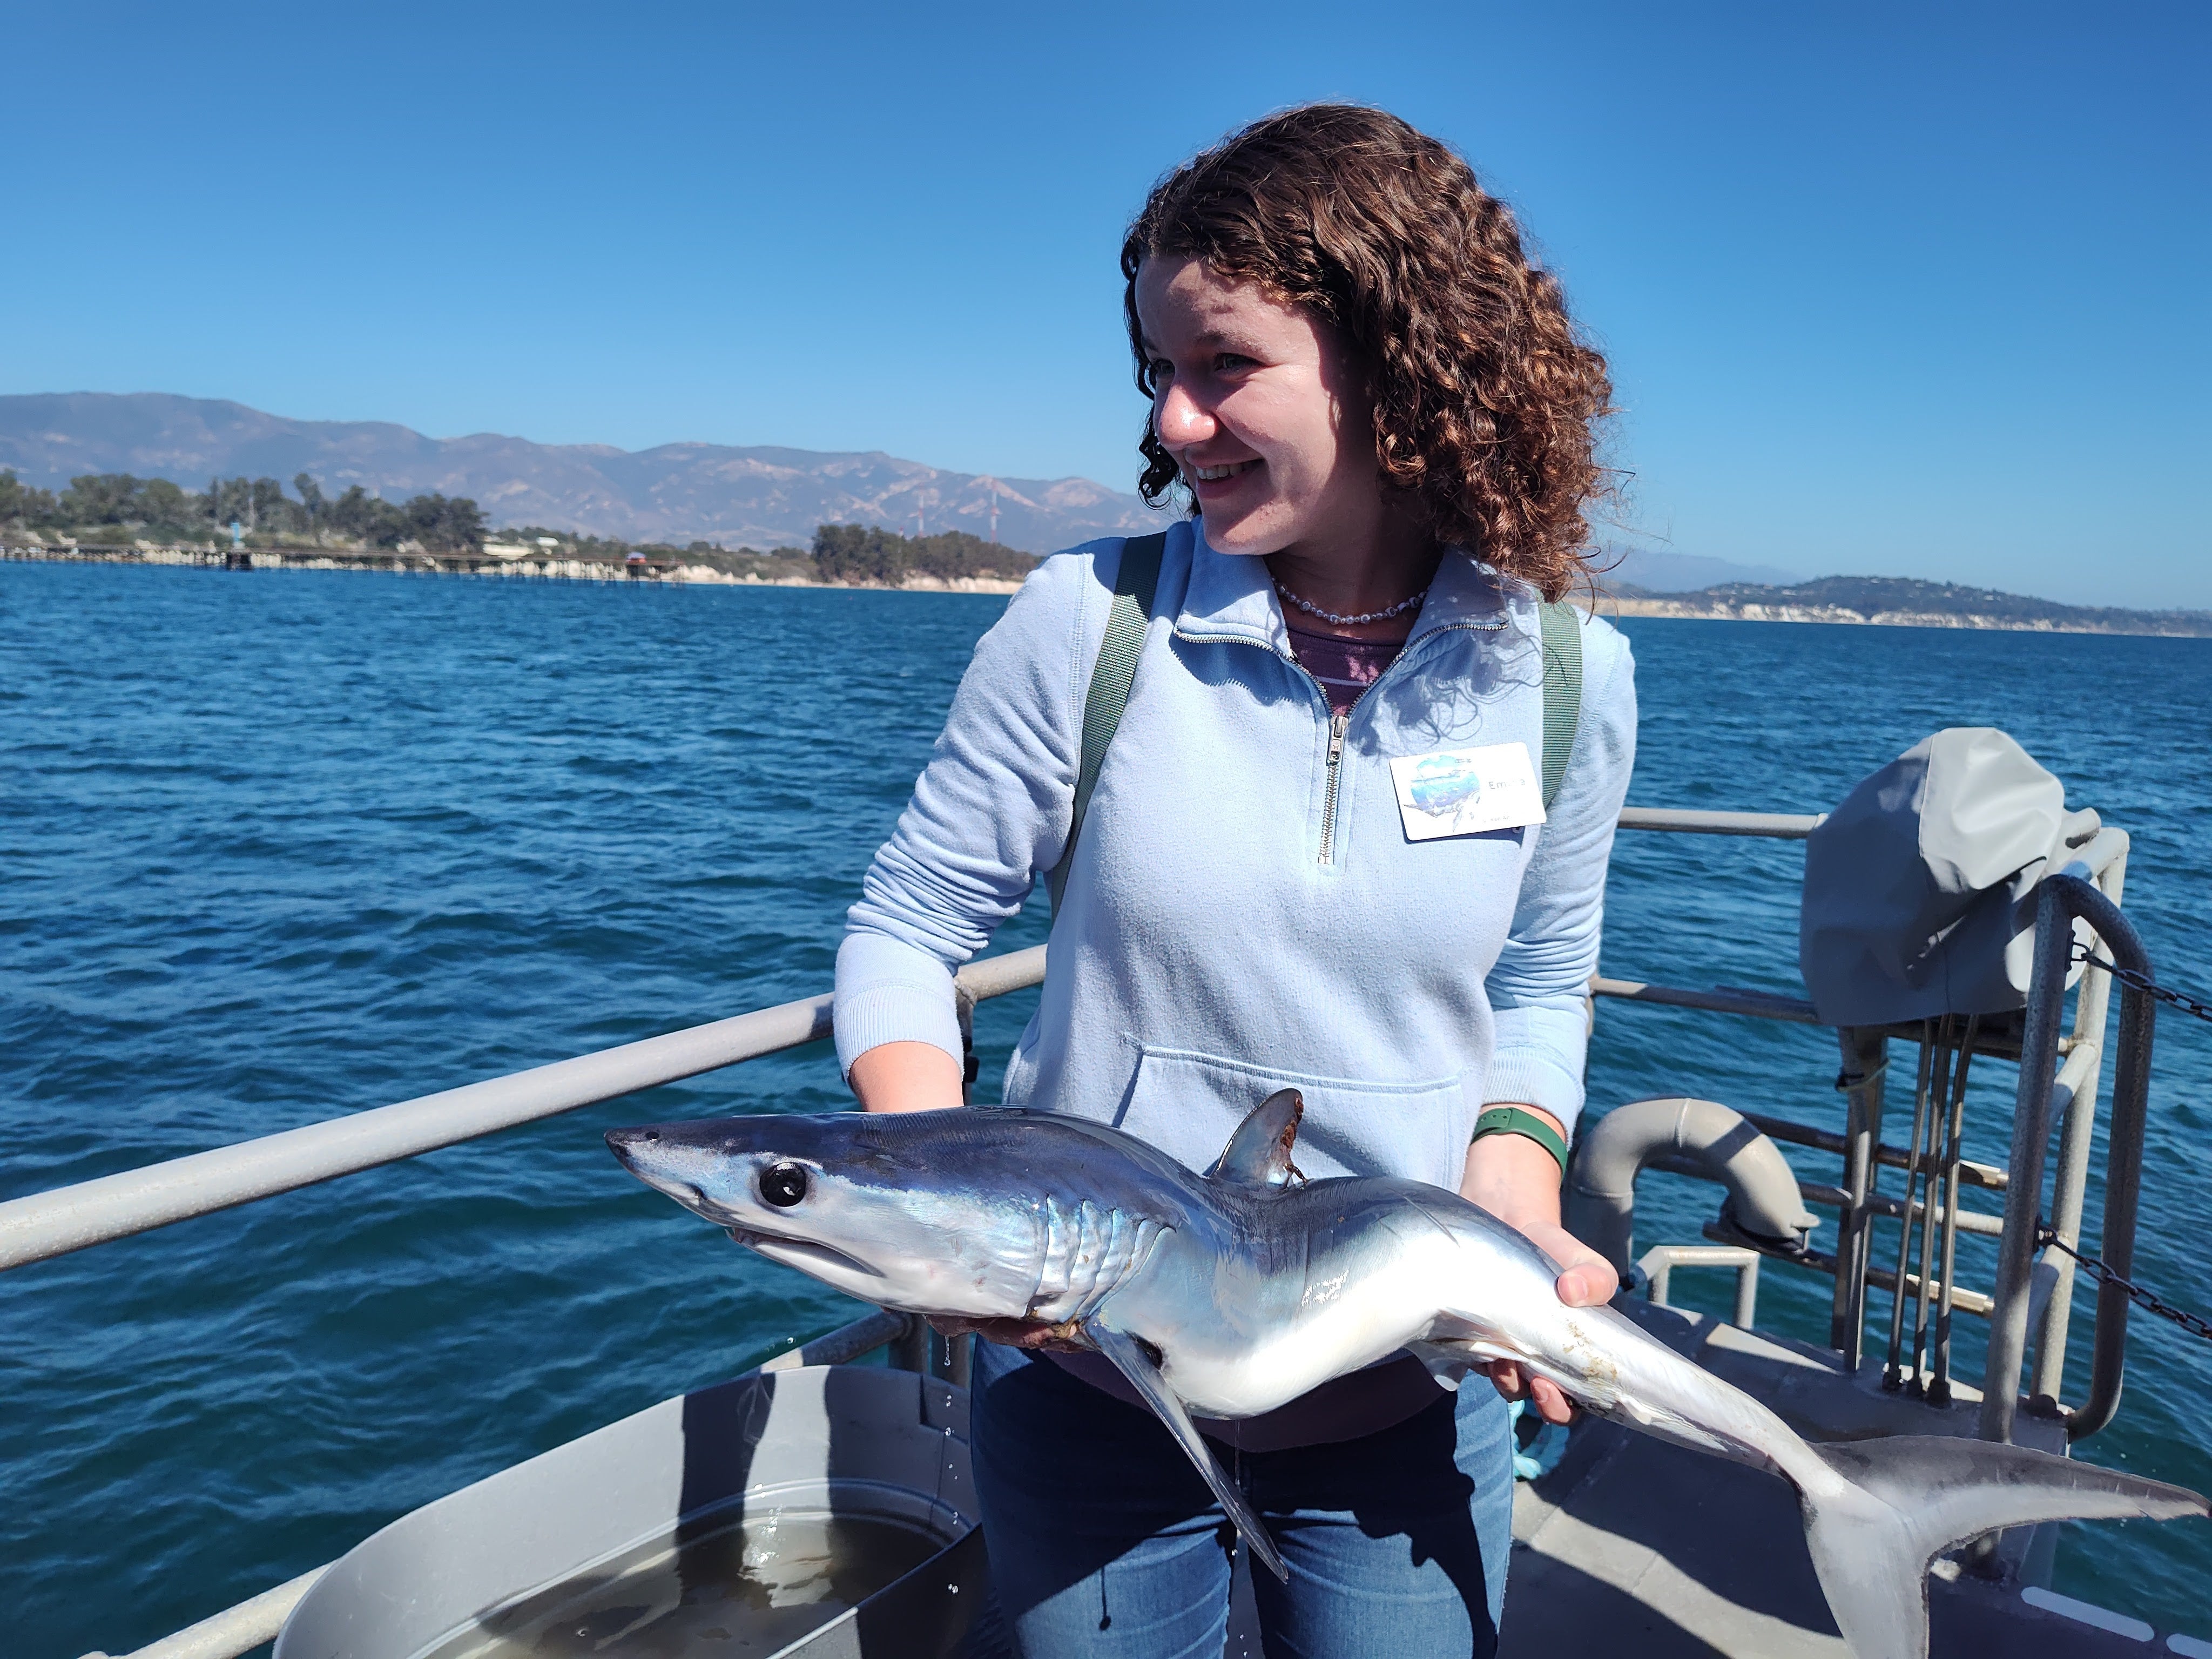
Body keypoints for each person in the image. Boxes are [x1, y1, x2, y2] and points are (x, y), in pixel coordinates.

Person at [833, 104, 1635, 1658]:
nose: (1175, 428)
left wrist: (1515, 1184)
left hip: (1404, 1411)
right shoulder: (1088, 625)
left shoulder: (1563, 678)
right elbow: (906, 928)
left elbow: (1539, 982)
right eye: (1160, 375)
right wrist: (936, 1194)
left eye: (1224, 367)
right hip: (1086, 1403)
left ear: (1399, 360)